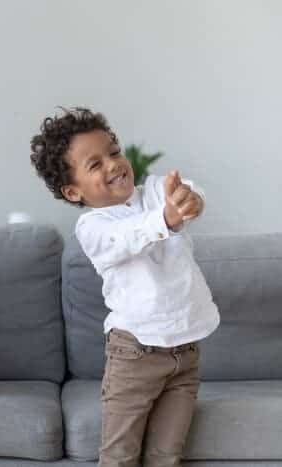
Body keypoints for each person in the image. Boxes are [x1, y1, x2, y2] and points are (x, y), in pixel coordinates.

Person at [29, 107, 219, 467]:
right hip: (135, 356)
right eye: (95, 164)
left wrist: (190, 199)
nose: (113, 164)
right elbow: (128, 237)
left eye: (114, 152)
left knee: (167, 456)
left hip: (185, 352)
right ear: (73, 192)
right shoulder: (94, 226)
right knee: (120, 457)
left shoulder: (152, 194)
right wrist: (166, 218)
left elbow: (186, 192)